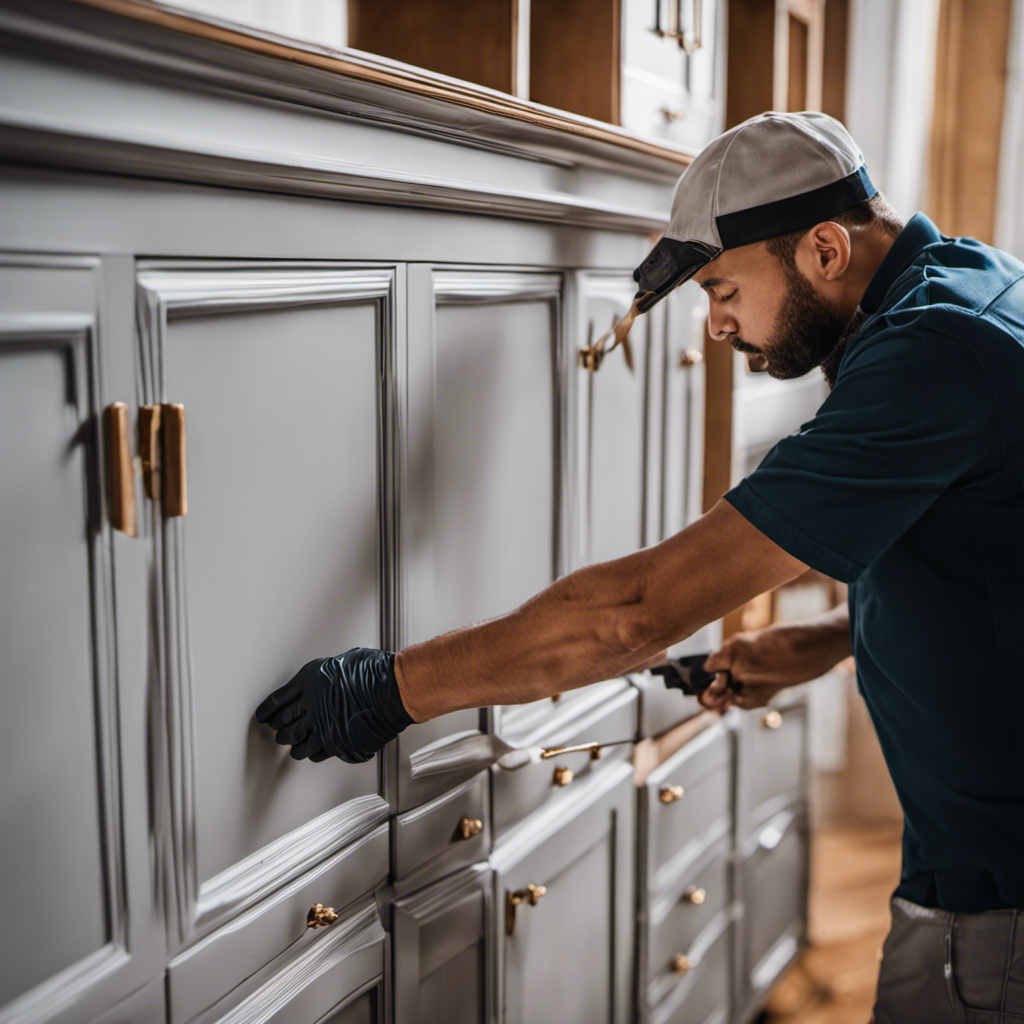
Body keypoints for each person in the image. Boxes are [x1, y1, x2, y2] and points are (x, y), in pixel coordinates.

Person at [255, 111, 1024, 1022]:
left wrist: (390, 688)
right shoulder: (976, 286)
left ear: (823, 248)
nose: (716, 327)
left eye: (724, 288)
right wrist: (823, 641)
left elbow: (637, 612)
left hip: (994, 907)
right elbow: (983, 561)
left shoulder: (932, 353)